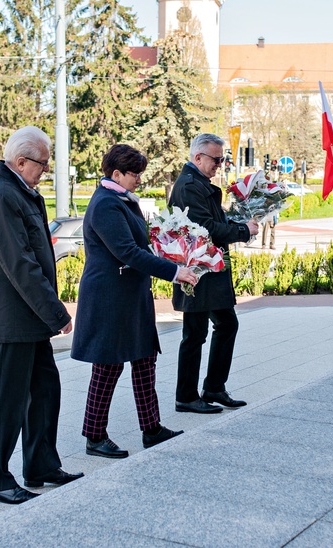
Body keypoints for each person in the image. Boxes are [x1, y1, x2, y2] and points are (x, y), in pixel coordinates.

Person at [0, 126, 83, 505]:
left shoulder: (20, 191)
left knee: (44, 390)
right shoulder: (3, 195)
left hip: (28, 320)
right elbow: (19, 265)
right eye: (42, 165)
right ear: (21, 162)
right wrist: (55, 312)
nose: (45, 172)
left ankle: (40, 465)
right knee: (9, 401)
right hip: (11, 321)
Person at [71, 144, 197, 458]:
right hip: (110, 298)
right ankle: (95, 436)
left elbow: (140, 244)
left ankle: (151, 428)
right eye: (134, 173)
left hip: (130, 295)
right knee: (108, 366)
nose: (138, 179)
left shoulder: (122, 200)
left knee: (143, 360)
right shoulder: (106, 204)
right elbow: (126, 251)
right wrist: (174, 271)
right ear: (116, 174)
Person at [168, 133, 259, 413]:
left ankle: (214, 388)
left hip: (206, 271)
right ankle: (187, 395)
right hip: (198, 273)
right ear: (198, 157)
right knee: (195, 334)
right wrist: (243, 231)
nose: (220, 164)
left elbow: (214, 220)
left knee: (223, 325)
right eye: (216, 159)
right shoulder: (189, 185)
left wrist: (239, 222)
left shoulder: (199, 183)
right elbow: (206, 228)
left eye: (222, 159)